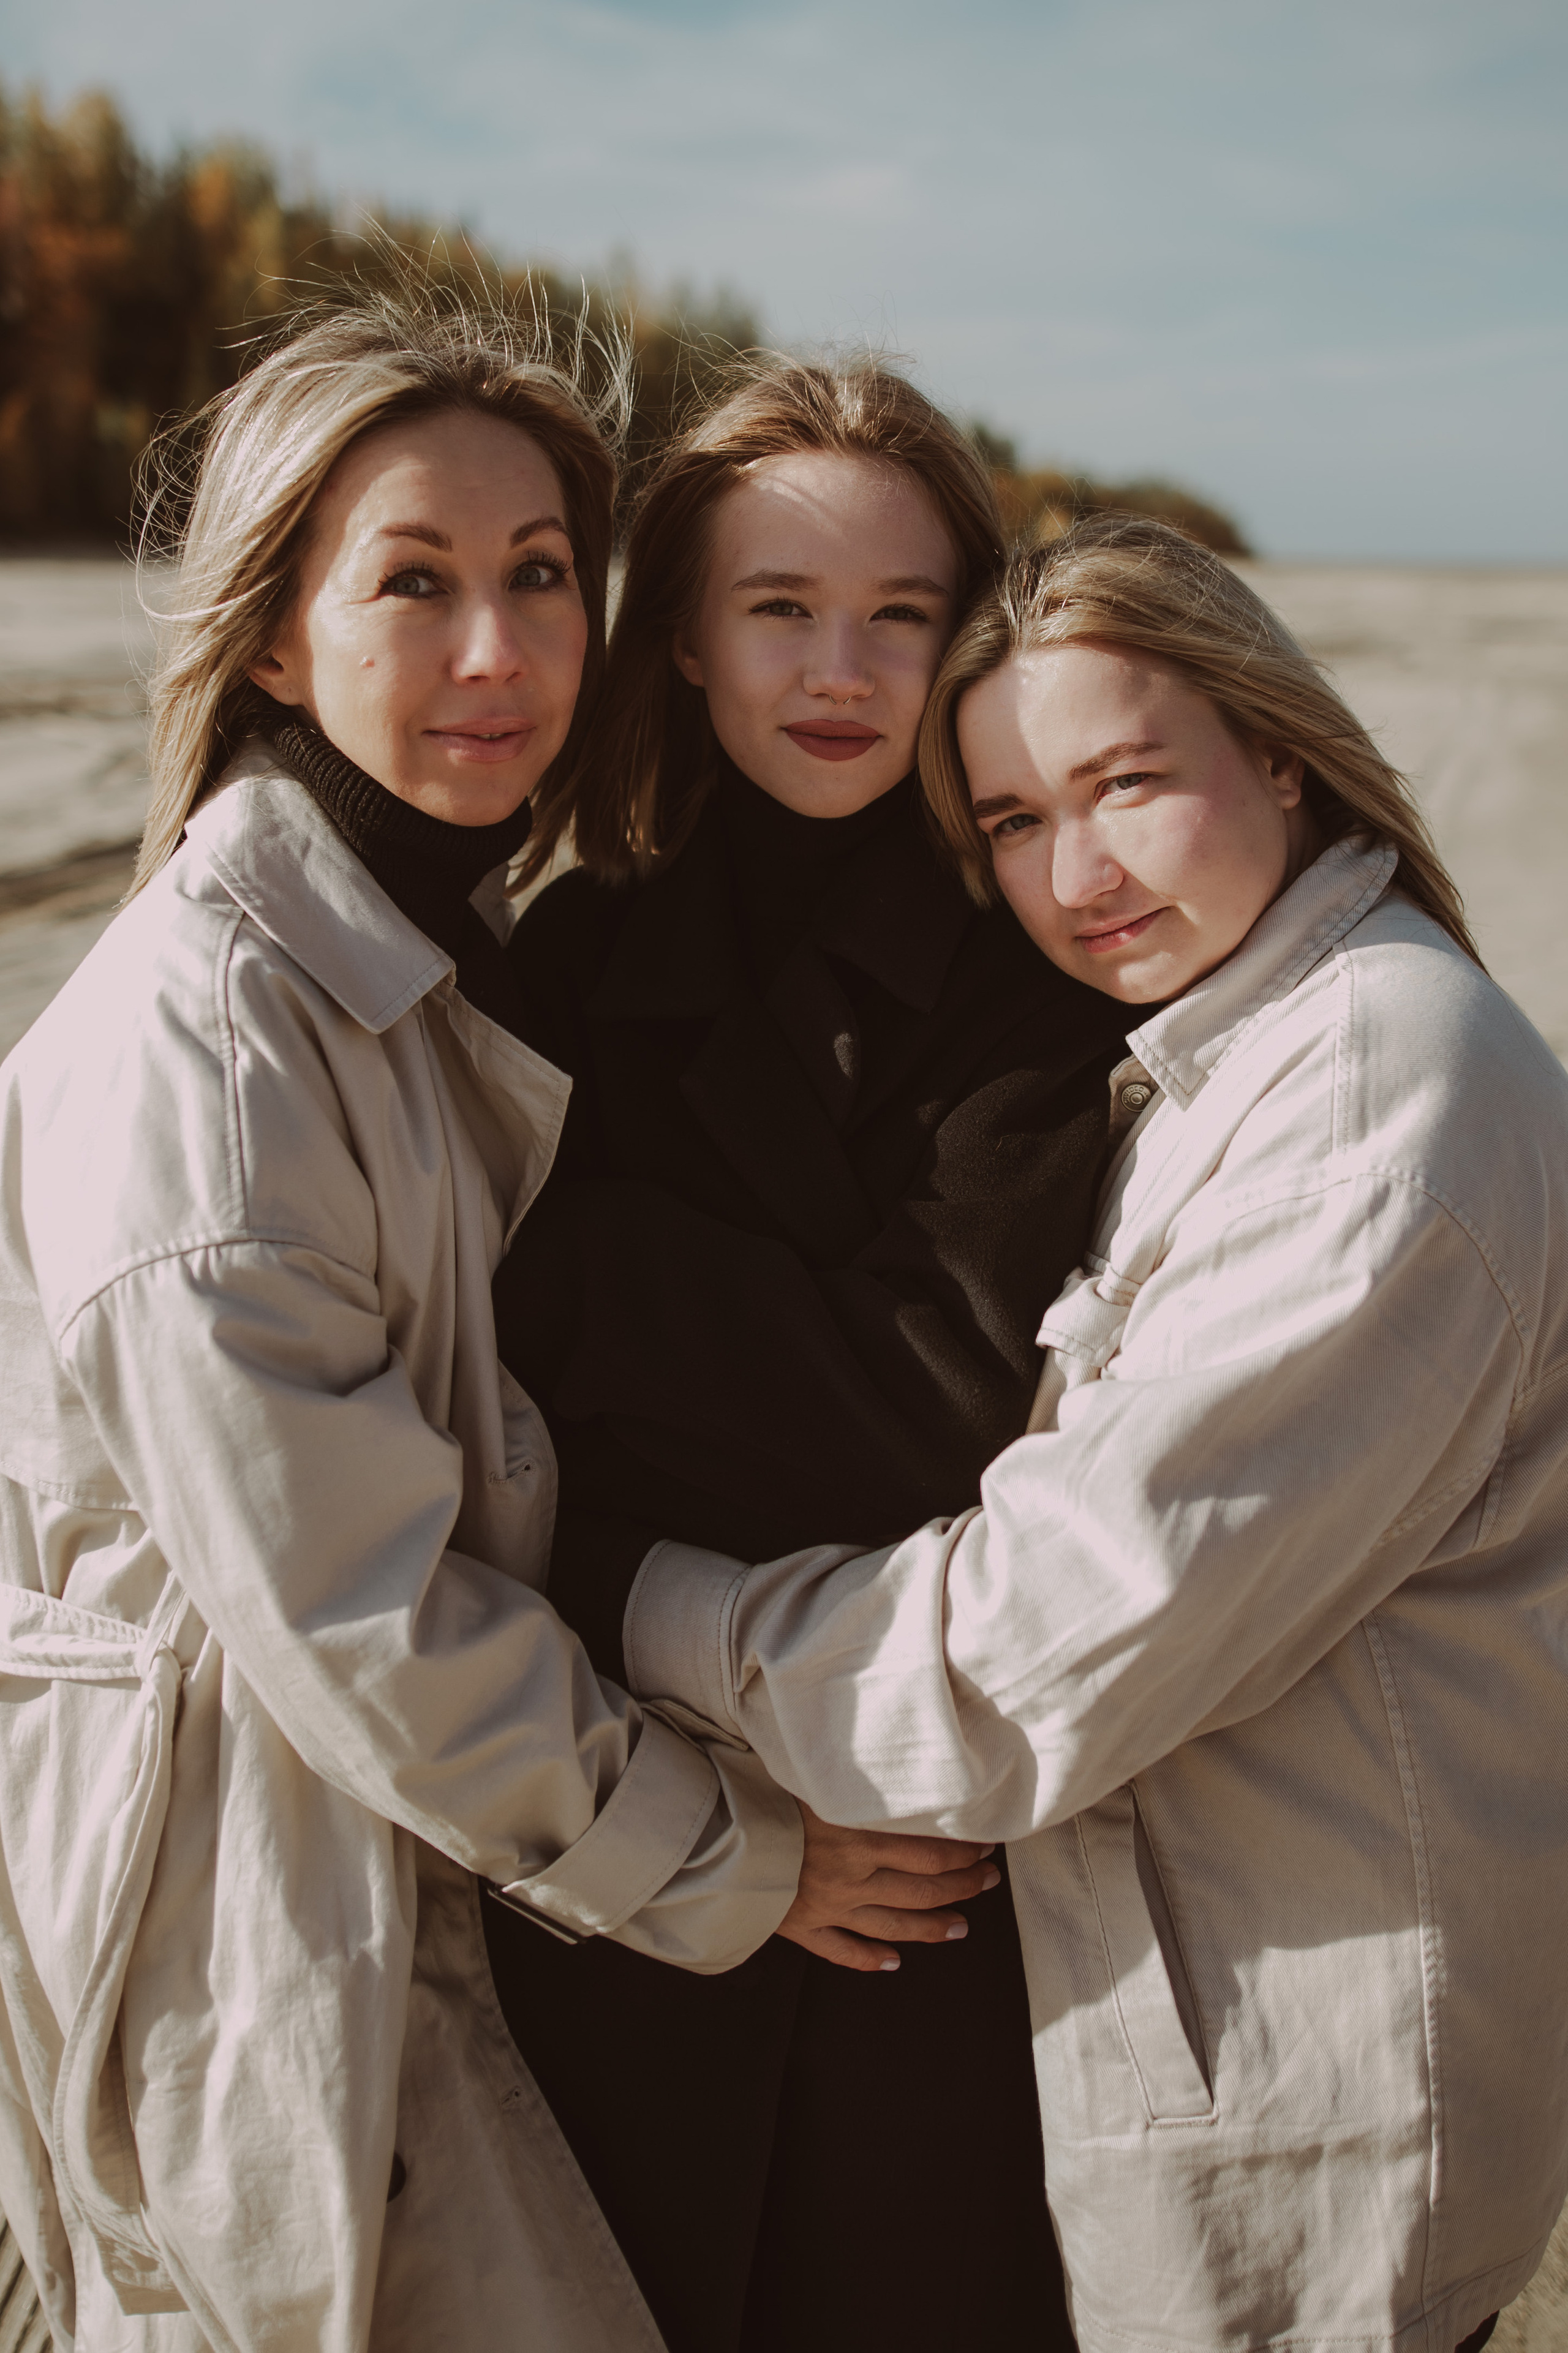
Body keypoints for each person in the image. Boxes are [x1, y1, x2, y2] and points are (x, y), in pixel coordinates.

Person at [0, 296, 972, 2353]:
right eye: (414, 583)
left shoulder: (430, 959)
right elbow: (355, 1603)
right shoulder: (210, 1047)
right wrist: (737, 1862)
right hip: (257, 1903)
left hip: (428, 1866)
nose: (498, 654)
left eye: (541, 578)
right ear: (274, 633)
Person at [619, 516, 1568, 2353]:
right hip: (1225, 2045)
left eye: (1127, 782)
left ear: (1278, 749)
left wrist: (642, 1607)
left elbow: (1017, 1661)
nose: (1078, 873)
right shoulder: (1233, 1045)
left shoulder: (1380, 1104)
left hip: (1315, 2139)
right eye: (1014, 822)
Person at [488, 356, 1129, 2353]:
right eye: (780, 608)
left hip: (920, 1877)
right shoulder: (558, 960)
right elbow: (467, 1457)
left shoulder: (1031, 968)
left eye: (900, 614)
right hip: (634, 1848)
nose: (838, 670)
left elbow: (921, 1415)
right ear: (676, 631)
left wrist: (575, 1288)